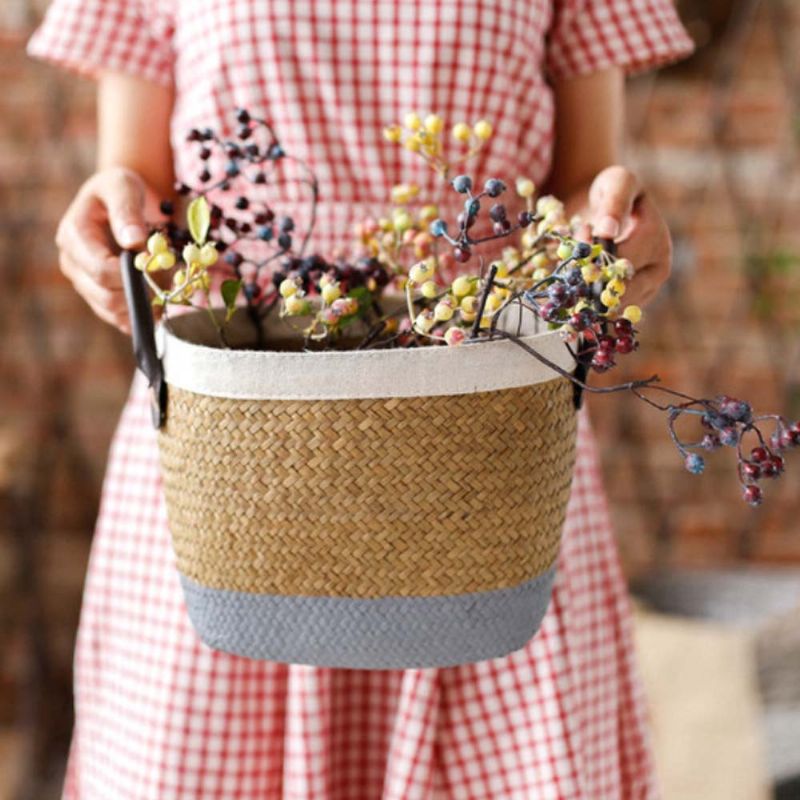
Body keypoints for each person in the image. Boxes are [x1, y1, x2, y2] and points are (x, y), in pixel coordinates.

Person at [28, 2, 693, 798]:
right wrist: (113, 218)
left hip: (488, 445)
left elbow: (586, 180)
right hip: (230, 461)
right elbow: (142, 190)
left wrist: (611, 221)